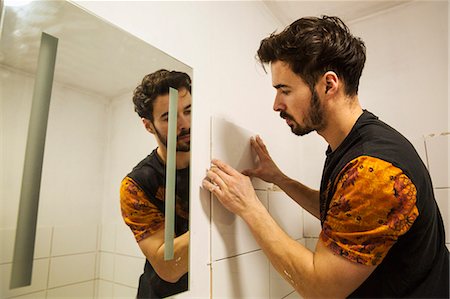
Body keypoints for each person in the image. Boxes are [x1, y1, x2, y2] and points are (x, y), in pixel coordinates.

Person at [203, 16, 449, 298]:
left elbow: (321, 290)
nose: (276, 105)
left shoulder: (373, 170)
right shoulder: (353, 145)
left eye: (285, 90)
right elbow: (339, 214)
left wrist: (249, 206)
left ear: (329, 85)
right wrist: (279, 179)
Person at [120, 69, 191, 298]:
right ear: (148, 125)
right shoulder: (137, 185)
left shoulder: (210, 162)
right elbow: (168, 268)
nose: (185, 124)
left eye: (189, 111)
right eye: (169, 117)